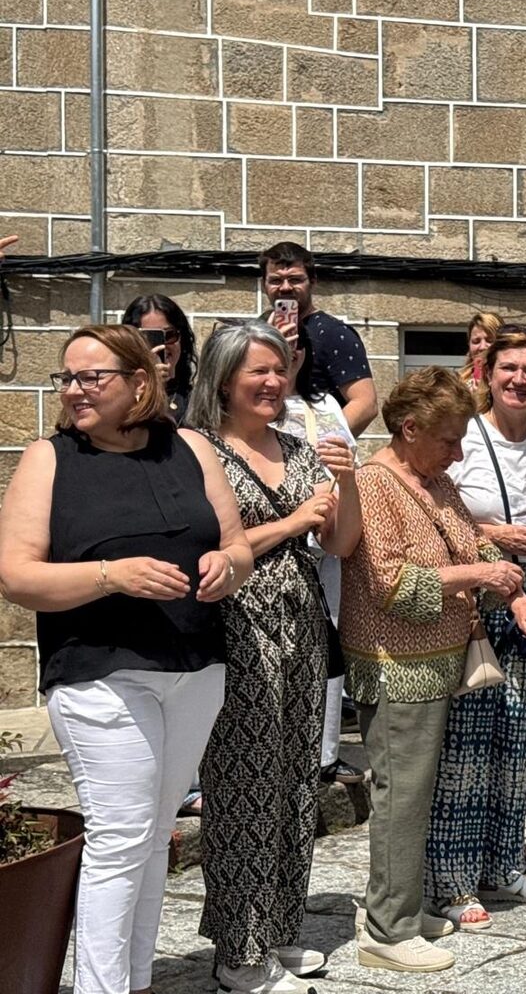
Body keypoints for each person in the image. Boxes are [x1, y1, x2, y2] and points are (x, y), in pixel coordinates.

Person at [0, 325, 252, 994]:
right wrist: (112, 576)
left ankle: (134, 980)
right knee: (120, 835)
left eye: (91, 377)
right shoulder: (50, 459)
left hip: (196, 669)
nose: (73, 390)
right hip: (99, 672)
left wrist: (228, 567)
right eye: (67, 378)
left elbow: (238, 547)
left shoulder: (192, 447)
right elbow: (16, 576)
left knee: (154, 832)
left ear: (140, 383)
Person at [188, 323, 362, 994]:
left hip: (302, 623)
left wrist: (344, 483)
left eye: (280, 370)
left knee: (294, 782)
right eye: (257, 370)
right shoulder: (198, 448)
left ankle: (276, 929)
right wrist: (292, 523)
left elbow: (340, 543)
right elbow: (211, 545)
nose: (273, 382)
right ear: (223, 377)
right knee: (243, 784)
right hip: (238, 625)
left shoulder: (297, 447)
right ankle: (238, 949)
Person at [341, 367, 525, 973]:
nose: (459, 452)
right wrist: (479, 576)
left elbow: (472, 541)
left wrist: (511, 586)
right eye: (449, 439)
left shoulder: (434, 480)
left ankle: (400, 906)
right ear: (410, 429)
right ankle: (387, 932)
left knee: (417, 797)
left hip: (435, 665)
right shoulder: (374, 484)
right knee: (401, 799)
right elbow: (391, 585)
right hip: (398, 668)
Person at [427, 329, 526, 921]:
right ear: (487, 373)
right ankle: (452, 879)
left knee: (519, 735)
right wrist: (492, 534)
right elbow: (436, 509)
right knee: (468, 737)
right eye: (509, 368)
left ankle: (503, 864)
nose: (520, 380)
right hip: (479, 589)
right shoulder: (466, 433)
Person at [273, 323, 370, 786]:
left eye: (296, 346)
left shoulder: (326, 404)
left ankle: (325, 754)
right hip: (278, 541)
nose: (288, 355)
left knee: (328, 646)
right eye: (279, 344)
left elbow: (347, 460)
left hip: (326, 541)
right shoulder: (249, 411)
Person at [259, 241, 377, 435]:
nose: (285, 287)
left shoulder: (333, 333)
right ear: (263, 284)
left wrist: (322, 442)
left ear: (313, 281)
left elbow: (365, 403)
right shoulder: (256, 331)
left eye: (295, 279)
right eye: (276, 280)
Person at [121, 294, 198, 422]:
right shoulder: (119, 397)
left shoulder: (198, 400)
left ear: (182, 339)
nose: (163, 345)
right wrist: (148, 386)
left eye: (170, 335)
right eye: (148, 338)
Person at [460, 311, 502, 388]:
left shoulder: (511, 383)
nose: (482, 347)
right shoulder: (458, 386)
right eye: (476, 341)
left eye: (490, 341)